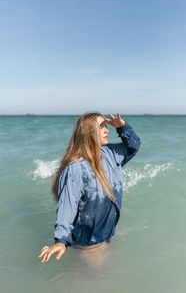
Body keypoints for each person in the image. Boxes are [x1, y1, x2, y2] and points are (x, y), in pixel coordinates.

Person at [38, 111, 141, 267]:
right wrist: (61, 241)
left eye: (106, 127)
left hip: (107, 233)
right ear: (89, 132)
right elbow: (67, 206)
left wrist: (123, 127)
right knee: (95, 280)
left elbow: (133, 146)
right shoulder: (76, 167)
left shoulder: (110, 153)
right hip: (90, 242)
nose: (107, 131)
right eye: (102, 127)